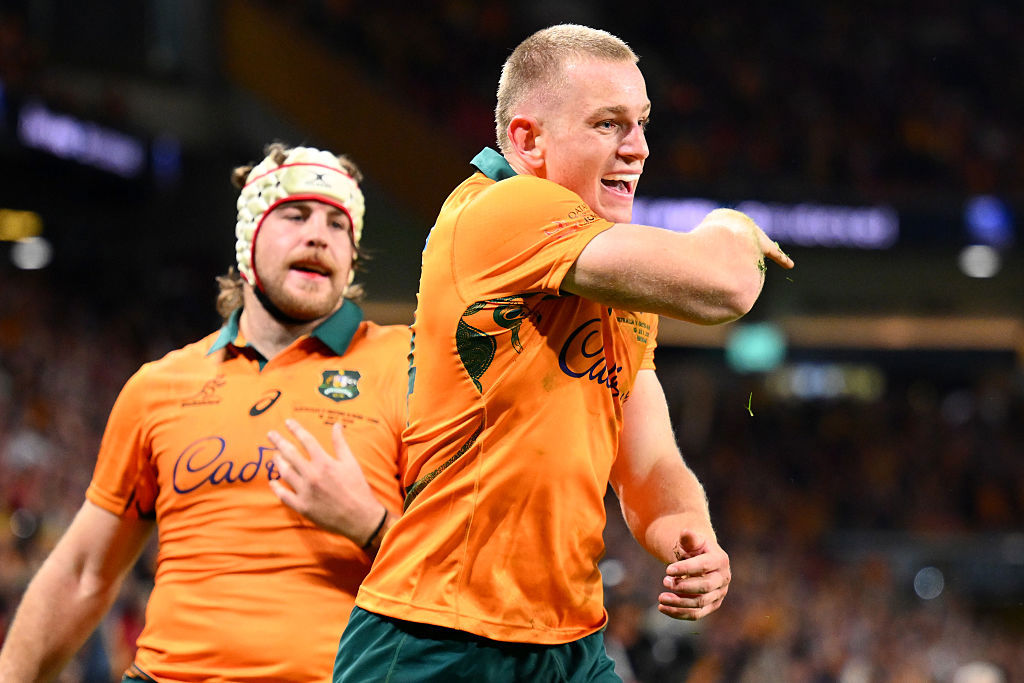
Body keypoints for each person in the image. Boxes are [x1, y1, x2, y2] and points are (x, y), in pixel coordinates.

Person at [333, 24, 794, 682]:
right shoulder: (501, 209)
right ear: (527, 139)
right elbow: (725, 284)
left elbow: (649, 461)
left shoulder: (617, 279)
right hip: (436, 632)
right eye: (608, 124)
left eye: (641, 123)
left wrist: (691, 535)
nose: (636, 148)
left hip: (568, 640)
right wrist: (733, 224)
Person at [0, 143, 410, 682]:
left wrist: (373, 525)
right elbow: (82, 574)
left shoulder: (409, 368)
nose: (319, 234)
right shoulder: (159, 386)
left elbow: (471, 576)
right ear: (247, 241)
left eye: (339, 224)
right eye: (295, 215)